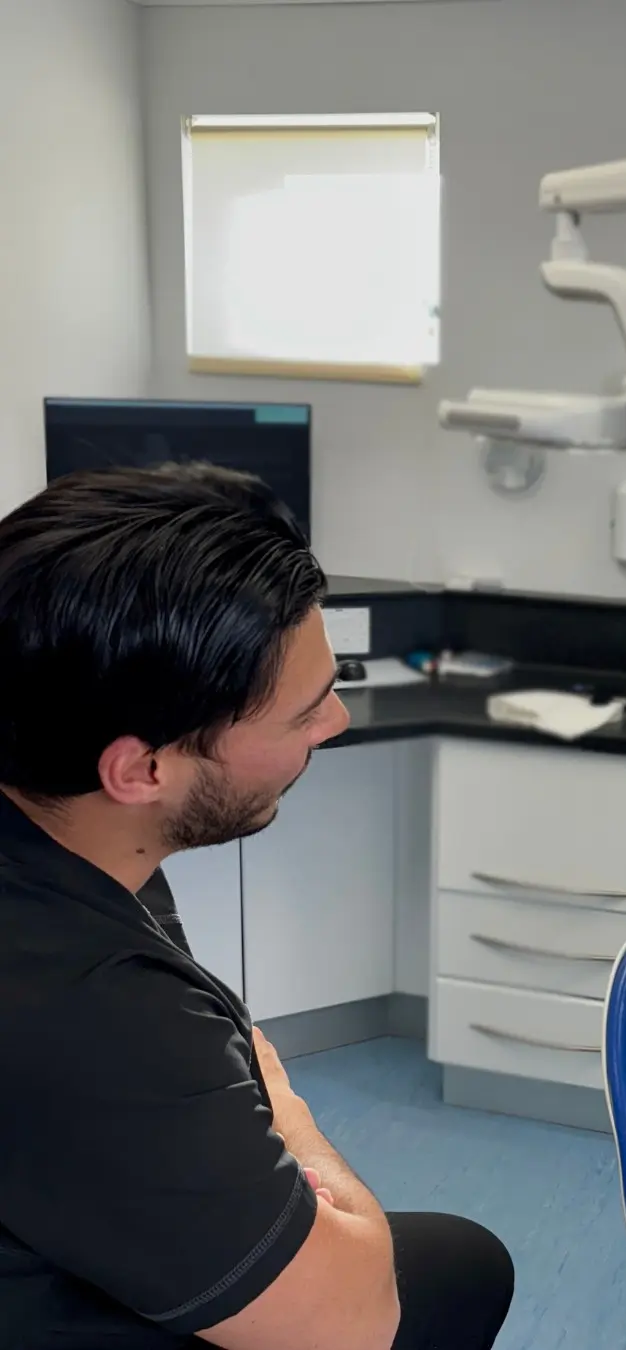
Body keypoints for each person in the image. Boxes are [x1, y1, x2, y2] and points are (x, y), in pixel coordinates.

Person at [0, 464, 514, 1350]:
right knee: (461, 1267)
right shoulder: (99, 1011)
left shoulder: (69, 832)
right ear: (141, 770)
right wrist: (277, 1099)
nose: (339, 721)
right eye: (303, 713)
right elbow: (354, 1324)